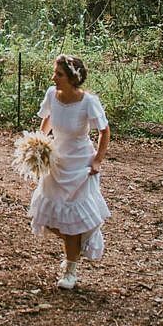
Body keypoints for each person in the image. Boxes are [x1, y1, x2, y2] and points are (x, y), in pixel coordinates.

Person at [29, 54, 112, 290]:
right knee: (47, 216)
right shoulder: (51, 95)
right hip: (56, 161)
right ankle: (81, 240)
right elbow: (47, 121)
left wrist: (97, 160)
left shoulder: (88, 102)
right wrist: (39, 144)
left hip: (79, 166)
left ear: (72, 78)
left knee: (73, 220)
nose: (54, 77)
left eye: (59, 74)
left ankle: (70, 270)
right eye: (55, 73)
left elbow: (104, 132)